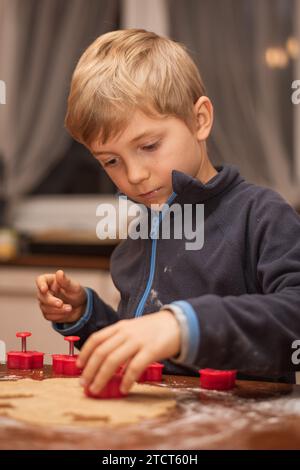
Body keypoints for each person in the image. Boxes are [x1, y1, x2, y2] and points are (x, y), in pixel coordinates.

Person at [36, 29, 300, 395]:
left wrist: (183, 326)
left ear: (200, 120)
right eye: (111, 160)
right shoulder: (138, 238)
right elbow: (141, 356)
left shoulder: (260, 215)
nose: (134, 175)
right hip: (152, 430)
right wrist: (85, 315)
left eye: (148, 145)